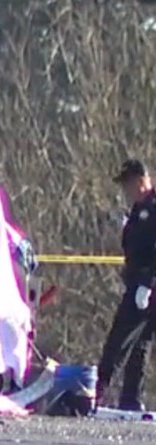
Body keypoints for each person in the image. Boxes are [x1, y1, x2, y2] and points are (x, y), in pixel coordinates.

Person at [97, 159, 156, 411]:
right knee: (140, 343)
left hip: (147, 286)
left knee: (119, 340)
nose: (126, 191)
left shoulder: (152, 207)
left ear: (141, 181)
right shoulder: (138, 209)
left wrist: (147, 282)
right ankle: (130, 398)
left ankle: (96, 390)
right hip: (138, 283)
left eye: (128, 185)